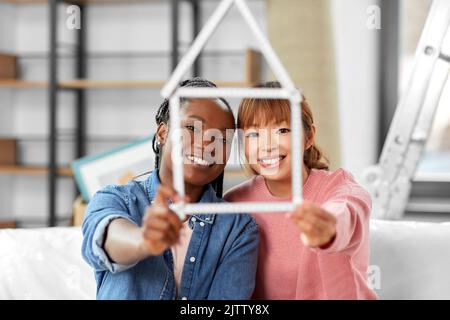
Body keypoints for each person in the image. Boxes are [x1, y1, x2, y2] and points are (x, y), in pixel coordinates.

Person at [82, 78, 259, 300]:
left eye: (221, 138)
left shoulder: (238, 228)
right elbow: (106, 238)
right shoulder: (115, 199)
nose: (207, 143)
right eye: (192, 128)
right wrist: (142, 240)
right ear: (163, 133)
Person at [225, 81, 377, 299]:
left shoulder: (339, 188)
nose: (267, 145)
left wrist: (328, 229)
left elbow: (347, 211)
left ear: (308, 137)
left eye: (282, 130)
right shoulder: (234, 203)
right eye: (253, 134)